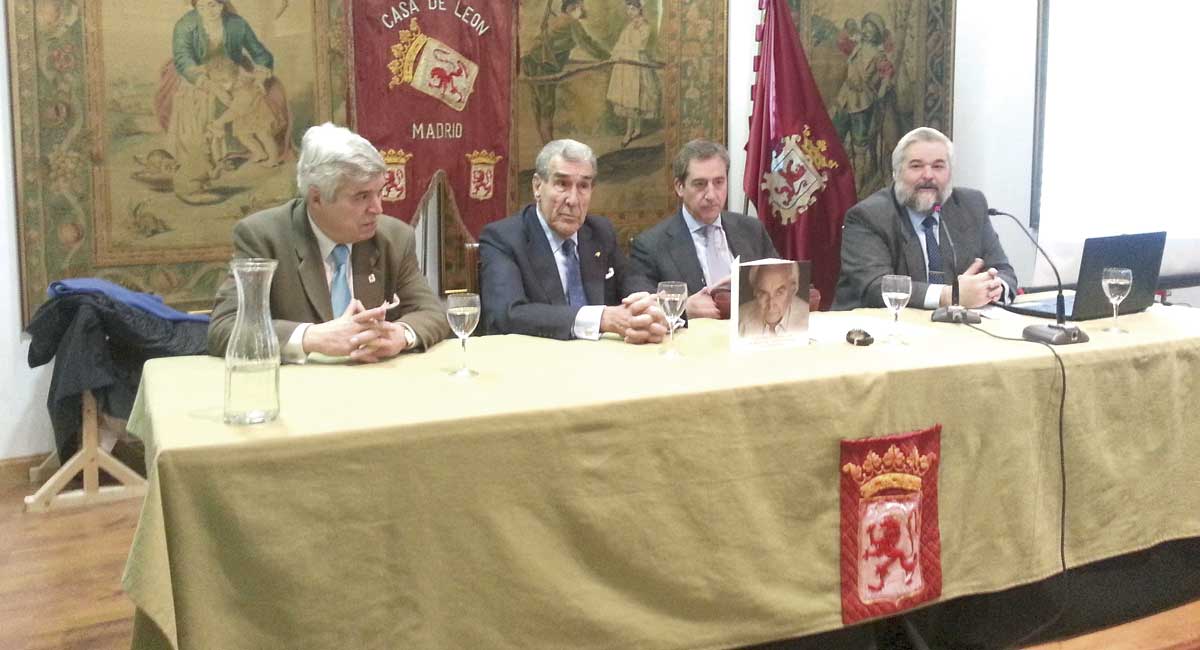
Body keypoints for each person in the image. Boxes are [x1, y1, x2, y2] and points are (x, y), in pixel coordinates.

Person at [207, 123, 450, 363]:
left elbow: (431, 312)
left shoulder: (394, 238)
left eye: (379, 192)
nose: (377, 208)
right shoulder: (263, 237)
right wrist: (311, 337)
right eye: (362, 196)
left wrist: (401, 334)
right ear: (316, 198)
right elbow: (225, 328)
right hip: (299, 384)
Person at [479, 139, 667, 343]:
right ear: (537, 186)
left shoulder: (600, 231)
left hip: (604, 356)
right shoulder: (504, 238)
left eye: (583, 186)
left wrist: (647, 307)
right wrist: (601, 319)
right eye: (562, 184)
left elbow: (631, 280)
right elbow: (507, 315)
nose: (573, 200)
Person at [832, 126, 1017, 311]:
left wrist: (992, 287)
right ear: (896, 173)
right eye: (916, 166)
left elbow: (1003, 270)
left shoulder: (971, 205)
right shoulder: (868, 216)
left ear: (950, 173)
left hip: (950, 326)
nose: (928, 175)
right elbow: (877, 287)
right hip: (873, 325)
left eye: (938, 166)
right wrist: (948, 296)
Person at [155, 0, 292, 204]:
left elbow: (260, 53)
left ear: (222, 5)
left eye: (212, 5)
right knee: (198, 108)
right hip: (198, 76)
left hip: (231, 72)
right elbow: (183, 59)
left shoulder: (236, 24)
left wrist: (260, 75)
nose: (208, 11)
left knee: (255, 98)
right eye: (201, 7)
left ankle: (235, 154)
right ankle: (199, 168)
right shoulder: (185, 25)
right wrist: (212, 86)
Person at [628, 139, 778, 319]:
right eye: (700, 184)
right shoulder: (650, 246)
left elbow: (781, 281)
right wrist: (683, 309)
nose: (711, 195)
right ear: (680, 187)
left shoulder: (752, 230)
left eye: (719, 182)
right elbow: (639, 308)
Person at [521, 0, 610, 144]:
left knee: (539, 105)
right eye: (580, 6)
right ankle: (548, 146)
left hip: (530, 61)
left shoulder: (558, 20)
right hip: (541, 64)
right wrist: (607, 57)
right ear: (572, 7)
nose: (582, 9)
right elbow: (586, 43)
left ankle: (546, 144)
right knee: (547, 106)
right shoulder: (571, 22)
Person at [606, 0, 660, 148]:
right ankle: (635, 130)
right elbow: (620, 43)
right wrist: (616, 54)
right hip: (625, 65)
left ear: (639, 9)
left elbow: (640, 46)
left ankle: (631, 132)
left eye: (633, 9)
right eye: (628, 9)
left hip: (637, 64)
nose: (630, 12)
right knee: (629, 96)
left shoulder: (645, 26)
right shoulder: (629, 26)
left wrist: (630, 40)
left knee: (636, 96)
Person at [738, 263, 808, 338]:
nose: (771, 305)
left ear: (792, 291)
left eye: (779, 293)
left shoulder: (809, 320)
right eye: (763, 293)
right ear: (755, 292)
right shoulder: (740, 318)